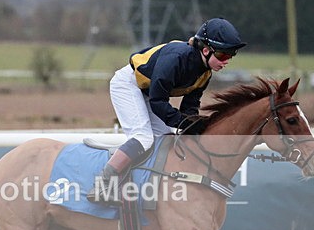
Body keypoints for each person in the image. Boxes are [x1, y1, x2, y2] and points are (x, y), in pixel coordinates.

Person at [88, 17, 247, 203]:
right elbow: (158, 101)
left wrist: (192, 126)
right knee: (143, 137)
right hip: (128, 85)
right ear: (205, 50)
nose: (226, 61)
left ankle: (150, 187)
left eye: (230, 56)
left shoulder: (205, 73)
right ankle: (102, 185)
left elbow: (190, 106)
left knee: (166, 139)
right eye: (222, 56)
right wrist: (182, 122)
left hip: (148, 91)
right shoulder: (176, 58)